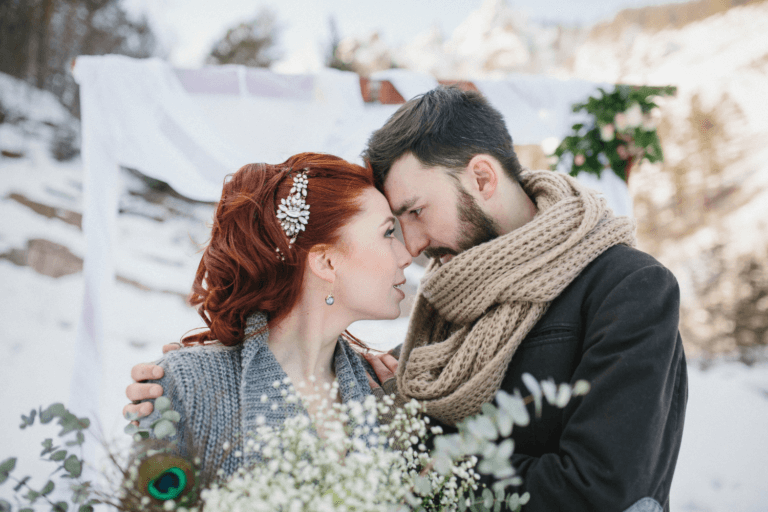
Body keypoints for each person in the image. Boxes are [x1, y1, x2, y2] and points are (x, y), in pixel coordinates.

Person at [127, 87, 687, 512]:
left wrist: (404, 453)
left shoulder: (625, 288)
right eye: (392, 227)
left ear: (483, 178)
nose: (413, 249)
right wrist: (196, 376)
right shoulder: (428, 328)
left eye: (414, 213)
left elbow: (600, 491)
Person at [129, 152, 411, 478]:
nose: (405, 256)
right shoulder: (188, 385)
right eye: (388, 233)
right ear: (326, 262)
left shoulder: (384, 393)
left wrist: (405, 435)